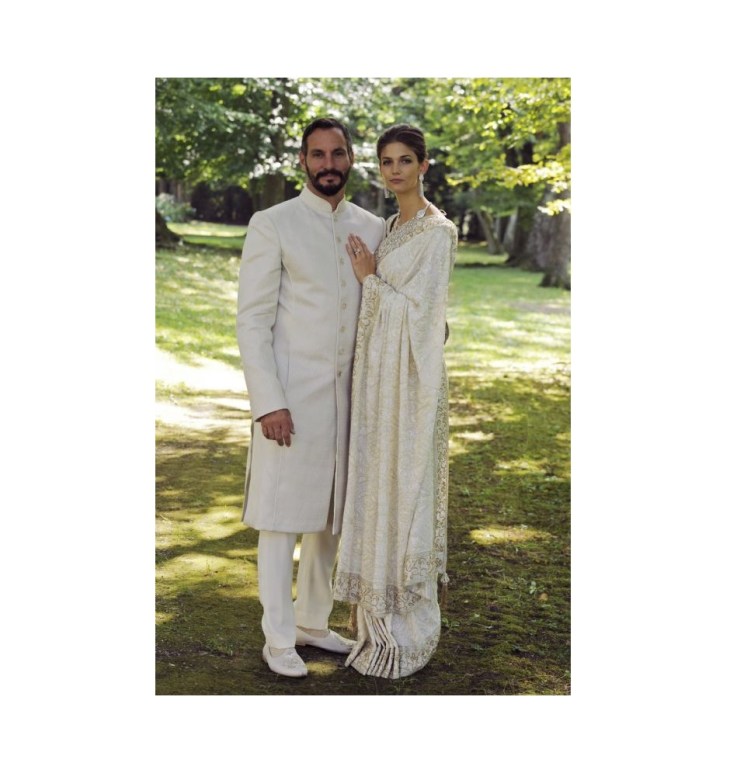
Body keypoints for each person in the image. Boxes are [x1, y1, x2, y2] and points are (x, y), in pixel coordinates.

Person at [236, 117, 386, 678]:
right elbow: (251, 322)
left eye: (338, 153)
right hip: (289, 402)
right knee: (280, 519)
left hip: (351, 403)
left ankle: (312, 622)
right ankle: (277, 636)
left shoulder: (373, 228)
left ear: (351, 160)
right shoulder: (271, 223)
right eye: (317, 154)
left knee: (330, 519)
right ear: (302, 160)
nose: (328, 164)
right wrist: (267, 402)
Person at [333, 124, 458, 678]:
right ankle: (373, 614)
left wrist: (370, 281)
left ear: (424, 166)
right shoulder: (390, 226)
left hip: (413, 383)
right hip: (380, 382)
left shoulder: (438, 231)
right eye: (386, 162)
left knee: (406, 483)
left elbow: (426, 319)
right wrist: (376, 283)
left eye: (405, 161)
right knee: (379, 479)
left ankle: (406, 621)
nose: (395, 171)